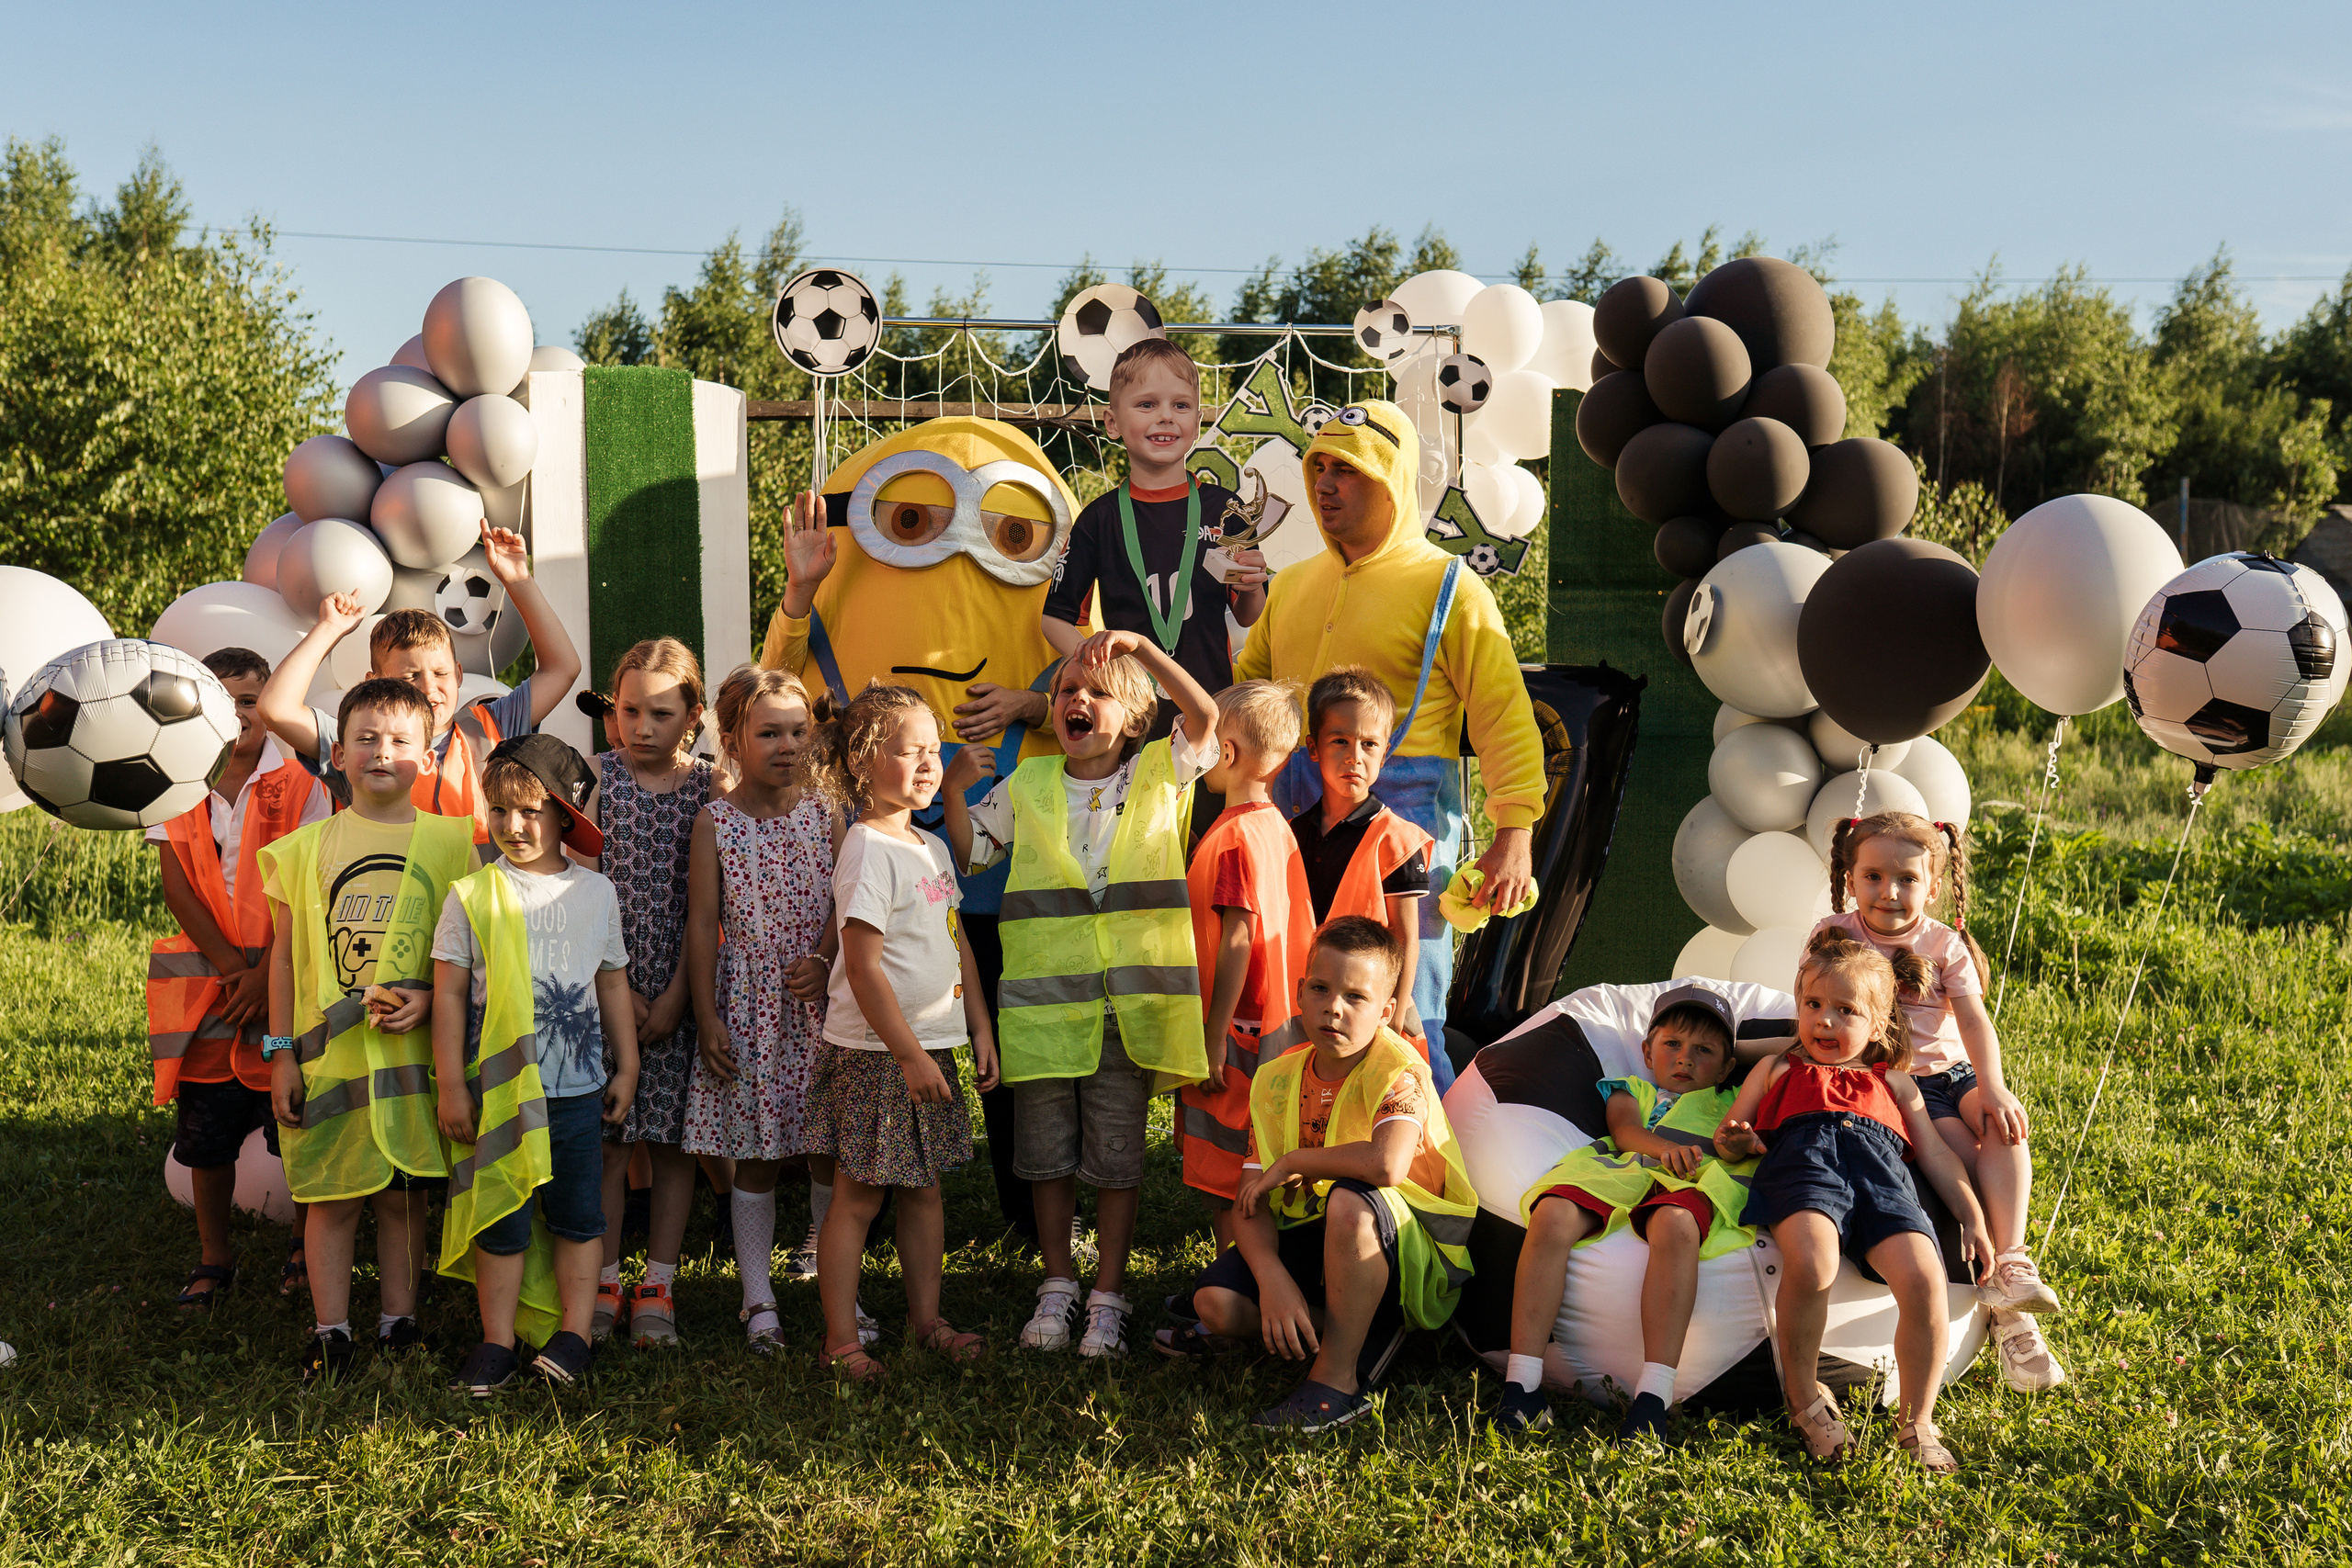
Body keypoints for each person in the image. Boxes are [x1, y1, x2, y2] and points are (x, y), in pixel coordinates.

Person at [1233, 400, 1545, 1094]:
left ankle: (1422, 1180)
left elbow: (1502, 713)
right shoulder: (1294, 585)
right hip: (1294, 823)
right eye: (1319, 466)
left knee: (1405, 1007)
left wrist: (1515, 829)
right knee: (1296, 993)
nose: (1325, 483)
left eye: (1348, 469)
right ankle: (1302, 1158)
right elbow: (1245, 695)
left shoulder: (1450, 588)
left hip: (1404, 837)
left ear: (1393, 479)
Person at [941, 628, 1217, 1358]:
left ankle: (1108, 1294)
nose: (1077, 699)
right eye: (1067, 690)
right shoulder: (1027, 783)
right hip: (1042, 1012)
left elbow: (1207, 717)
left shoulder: (1160, 771)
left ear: (1133, 717)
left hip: (1126, 1008)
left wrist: (1146, 652)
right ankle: (1058, 1283)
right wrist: (952, 791)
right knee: (1047, 1156)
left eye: (1096, 692)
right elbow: (971, 855)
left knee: (1119, 1159)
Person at [258, 679, 479, 1382]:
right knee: (331, 1194)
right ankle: (330, 1331)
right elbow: (285, 962)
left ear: (430, 755)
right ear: (338, 751)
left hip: (415, 1058)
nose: (382, 751)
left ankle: (399, 1321)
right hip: (331, 1062)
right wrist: (280, 1053)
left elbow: (470, 951)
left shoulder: (452, 843)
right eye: (365, 737)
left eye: (400, 740)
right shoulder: (303, 849)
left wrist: (429, 999)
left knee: (404, 1193)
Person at [1179, 917, 1478, 1430]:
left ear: (1387, 1012)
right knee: (1215, 1305)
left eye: (1356, 998)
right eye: (1320, 988)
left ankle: (1337, 1379)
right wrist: (1273, 1282)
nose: (1333, 1007)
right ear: (1300, 992)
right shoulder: (1276, 1077)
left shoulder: (1399, 1068)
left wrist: (1296, 1161)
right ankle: (1356, 1325)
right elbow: (1251, 1196)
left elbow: (1387, 1164)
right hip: (1322, 1238)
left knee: (1349, 1199)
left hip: (1412, 1252)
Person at [1714, 931, 1995, 1473]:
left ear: (1879, 1023)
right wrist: (1740, 1141)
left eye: (1846, 1011)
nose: (1824, 1021)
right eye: (1813, 1005)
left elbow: (1936, 1157)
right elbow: (1729, 1135)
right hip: (1806, 1169)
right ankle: (1805, 1400)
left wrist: (1973, 1217)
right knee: (1814, 1262)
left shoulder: (1896, 1082)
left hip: (1884, 1181)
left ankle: (1918, 1421)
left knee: (1924, 1278)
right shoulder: (1776, 1069)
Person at [1815, 810, 2064, 1393]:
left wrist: (1993, 1085)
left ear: (1933, 883)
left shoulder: (1942, 943)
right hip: (1897, 1080)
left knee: (2004, 1128)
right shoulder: (1835, 934)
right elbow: (1815, 1003)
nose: (1889, 892)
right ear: (1850, 877)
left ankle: (2012, 1261)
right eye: (1873, 876)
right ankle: (2008, 1314)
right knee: (1960, 1158)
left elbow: (1975, 1021)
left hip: (1952, 1073)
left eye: (1906, 879)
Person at [802, 683, 1000, 1380]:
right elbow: (860, 965)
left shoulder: (930, 848)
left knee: (924, 1190)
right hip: (879, 1055)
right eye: (909, 750)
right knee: (859, 1194)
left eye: (933, 749)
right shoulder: (865, 847)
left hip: (931, 1047)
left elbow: (957, 943)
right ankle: (839, 1339)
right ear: (862, 761)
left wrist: (976, 1025)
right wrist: (911, 1054)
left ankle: (927, 1322)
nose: (929, 762)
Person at [430, 737, 639, 1393]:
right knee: (502, 1219)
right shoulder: (470, 895)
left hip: (578, 1093)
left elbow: (612, 984)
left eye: (529, 811)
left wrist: (627, 1065)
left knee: (580, 1216)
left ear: (563, 816)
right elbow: (448, 993)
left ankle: (574, 1335)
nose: (512, 826)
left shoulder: (597, 893)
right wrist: (452, 1086)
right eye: (498, 810)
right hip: (498, 1094)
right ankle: (496, 1341)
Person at [1486, 986, 1756, 1439]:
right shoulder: (1632, 1089)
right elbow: (1626, 1131)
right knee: (1551, 1213)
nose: (1685, 1058)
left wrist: (1740, 1146)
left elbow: (1739, 1147)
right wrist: (1666, 1148)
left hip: (1693, 1177)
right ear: (1647, 1052)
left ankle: (1653, 1400)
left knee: (1676, 1225)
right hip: (1626, 1166)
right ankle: (1522, 1385)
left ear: (1728, 1067)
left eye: (1704, 1051)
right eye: (1672, 1045)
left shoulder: (1731, 1102)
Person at [147, 647, 329, 1308]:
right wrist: (233, 969)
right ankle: (213, 1257)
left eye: (249, 700)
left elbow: (309, 884)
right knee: (206, 1127)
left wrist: (263, 976)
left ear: (271, 708)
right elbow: (177, 885)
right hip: (211, 995)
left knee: (296, 1121)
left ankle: (306, 1250)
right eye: (218, 701)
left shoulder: (306, 783)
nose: (236, 714)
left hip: (285, 997)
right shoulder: (173, 777)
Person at [683, 666, 855, 1355]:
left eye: (797, 731)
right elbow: (701, 924)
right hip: (748, 1006)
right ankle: (758, 1300)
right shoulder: (713, 823)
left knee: (824, 1151)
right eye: (769, 733)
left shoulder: (826, 812)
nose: (787, 745)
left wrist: (823, 956)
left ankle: (832, 1282)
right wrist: (706, 1015)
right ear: (731, 740)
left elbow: (850, 899)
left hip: (819, 1006)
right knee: (755, 1155)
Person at [254, 521, 582, 845]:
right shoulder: (360, 744)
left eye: (440, 674)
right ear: (376, 682)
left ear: (459, 675)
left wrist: (518, 579)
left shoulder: (493, 727)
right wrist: (328, 629)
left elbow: (562, 668)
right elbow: (275, 709)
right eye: (409, 677)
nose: (428, 689)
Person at [585, 639, 718, 1348]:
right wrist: (624, 994)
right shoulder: (600, 779)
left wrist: (675, 997)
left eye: (660, 713)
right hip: (608, 987)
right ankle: (603, 1277)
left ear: (692, 716)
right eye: (629, 710)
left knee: (671, 1144)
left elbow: (716, 905)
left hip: (684, 989)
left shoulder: (712, 788)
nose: (641, 727)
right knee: (609, 1141)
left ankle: (658, 1282)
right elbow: (579, 885)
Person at [1040, 338, 1267, 742]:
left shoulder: (1224, 508)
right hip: (1130, 719)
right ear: (1112, 422)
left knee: (1203, 806)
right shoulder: (1098, 519)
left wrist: (1250, 586)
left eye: (1180, 406)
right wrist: (1100, 671)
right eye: (1147, 405)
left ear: (1197, 421)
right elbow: (1054, 617)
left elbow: (1249, 614)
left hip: (1211, 712)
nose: (1165, 418)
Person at [1174, 681, 1313, 1252]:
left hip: (1234, 1035)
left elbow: (1238, 936)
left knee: (1228, 1174)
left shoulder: (1232, 837)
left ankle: (1236, 1289)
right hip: (1276, 1028)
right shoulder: (1276, 827)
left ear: (1224, 753)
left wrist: (1211, 1038)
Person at [1288, 668, 1434, 1051]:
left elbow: (1405, 939)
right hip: (1305, 1006)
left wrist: (1394, 1022)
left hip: (1373, 1013)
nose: (1355, 756)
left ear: (1385, 754)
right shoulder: (1289, 832)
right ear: (1313, 748)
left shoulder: (1397, 839)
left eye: (1369, 744)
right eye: (1340, 741)